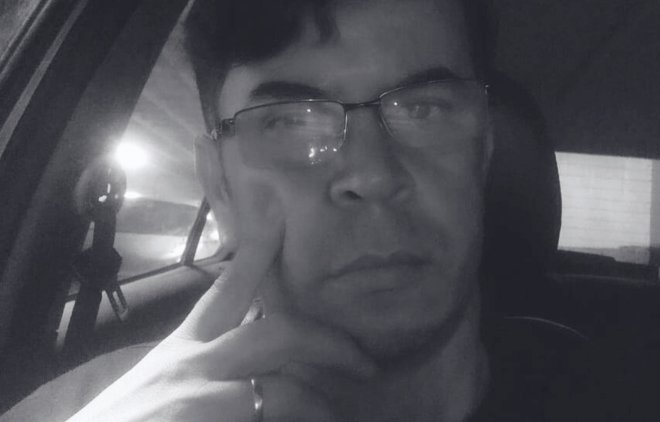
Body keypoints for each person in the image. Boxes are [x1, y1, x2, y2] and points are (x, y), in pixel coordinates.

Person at [2, 0, 601, 420]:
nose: (372, 175)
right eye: (289, 122)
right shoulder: (80, 412)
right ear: (218, 182)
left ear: (484, 151)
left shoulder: (637, 392)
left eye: (424, 110)